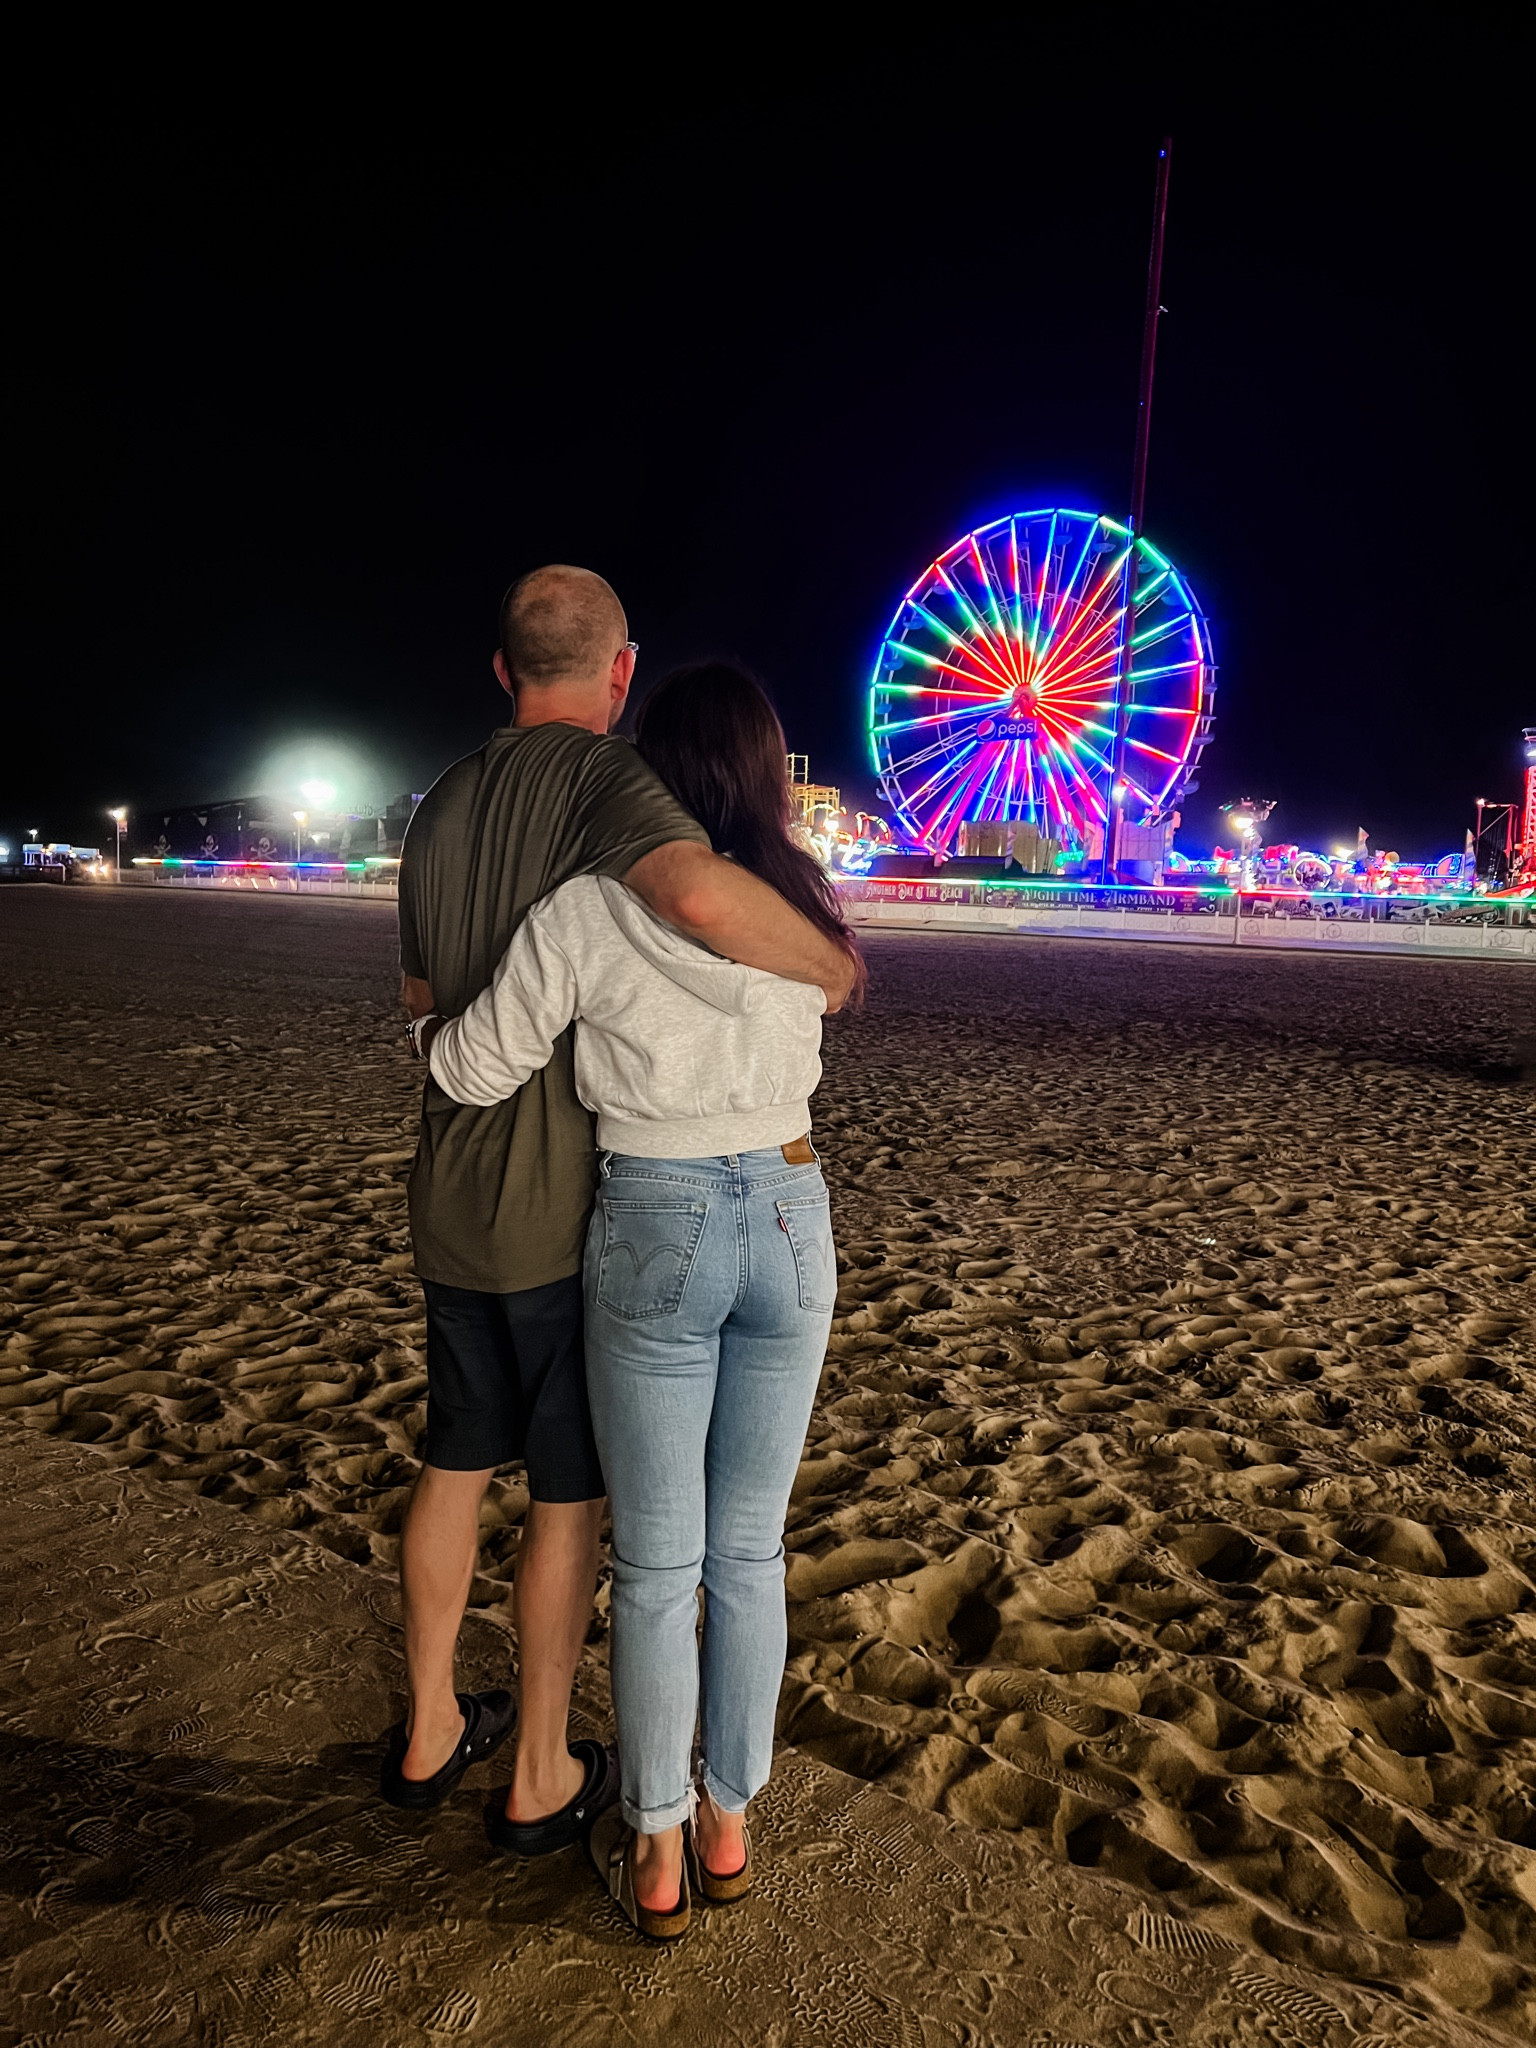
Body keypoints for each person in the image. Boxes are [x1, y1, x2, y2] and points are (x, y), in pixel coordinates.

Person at [382, 570, 855, 1860]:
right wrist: (834, 965)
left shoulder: (446, 808)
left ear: (500, 669)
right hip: (659, 1206)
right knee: (628, 1518)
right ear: (618, 670)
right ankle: (600, 1786)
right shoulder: (641, 811)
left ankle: (449, 1738)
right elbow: (700, 898)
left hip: (480, 1203)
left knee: (467, 1467)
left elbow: (431, 1004)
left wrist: (434, 1036)